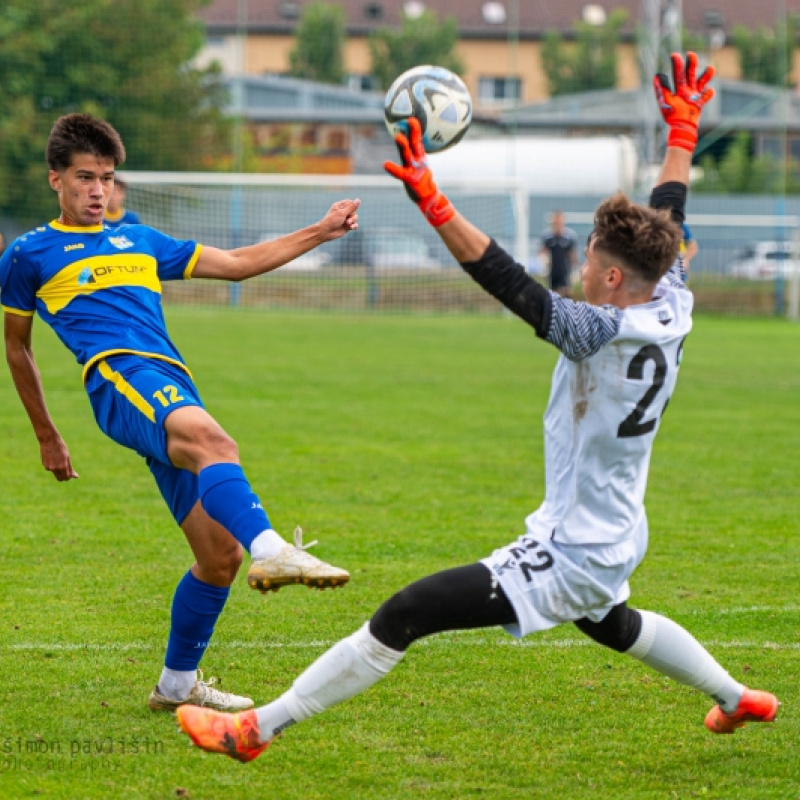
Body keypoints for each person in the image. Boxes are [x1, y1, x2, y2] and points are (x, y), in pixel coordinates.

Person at [176, 54, 778, 763]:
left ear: (613, 278)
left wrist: (435, 202)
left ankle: (256, 730)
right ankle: (739, 699)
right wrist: (683, 128)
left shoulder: (599, 332)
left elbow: (513, 286)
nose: (579, 267)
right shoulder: (671, 296)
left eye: (588, 259)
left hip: (574, 549)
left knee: (409, 612)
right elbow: (669, 215)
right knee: (612, 624)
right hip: (617, 525)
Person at [0, 113, 360, 713]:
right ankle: (274, 549)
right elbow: (17, 346)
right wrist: (47, 434)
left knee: (218, 558)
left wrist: (321, 231)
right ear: (54, 180)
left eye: (107, 178)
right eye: (85, 177)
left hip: (167, 381)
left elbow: (240, 262)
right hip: (118, 377)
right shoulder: (28, 254)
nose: (97, 190)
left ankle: (175, 685)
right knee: (215, 440)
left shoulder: (140, 240)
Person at [538, 210, 578, 297]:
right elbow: (542, 252)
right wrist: (544, 263)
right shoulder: (547, 237)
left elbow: (572, 255)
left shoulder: (569, 237)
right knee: (554, 295)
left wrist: (574, 270)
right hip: (552, 272)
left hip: (565, 271)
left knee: (566, 295)